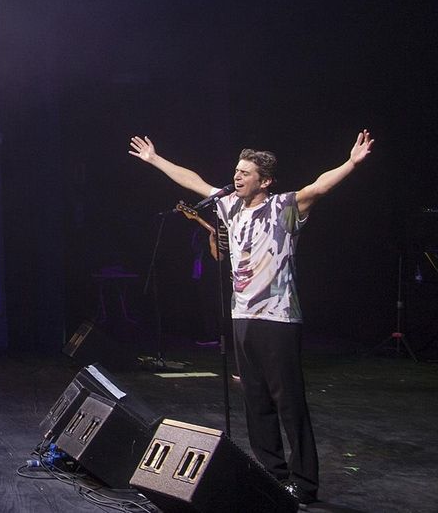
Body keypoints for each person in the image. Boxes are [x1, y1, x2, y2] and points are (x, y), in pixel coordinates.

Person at [128, 130, 374, 506]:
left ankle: (304, 483)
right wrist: (155, 160)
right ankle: (273, 476)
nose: (237, 177)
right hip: (242, 316)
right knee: (255, 399)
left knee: (289, 402)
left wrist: (352, 163)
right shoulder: (228, 206)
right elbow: (194, 181)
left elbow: (319, 187)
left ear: (265, 180)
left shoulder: (284, 207)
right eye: (236, 171)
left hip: (278, 319)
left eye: (245, 173)